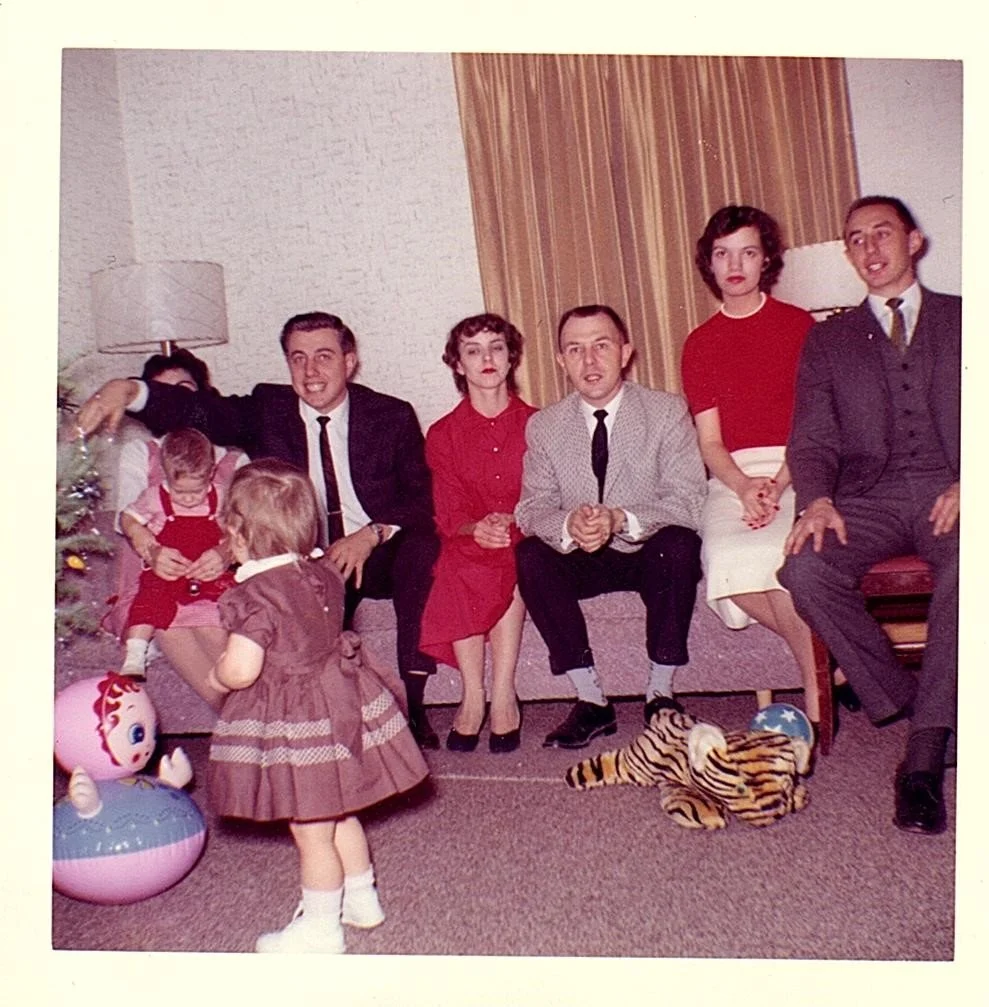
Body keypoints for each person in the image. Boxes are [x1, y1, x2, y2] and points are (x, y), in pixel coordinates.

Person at [76, 312, 442, 749]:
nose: (311, 371)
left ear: (350, 361)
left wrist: (370, 536)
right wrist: (131, 391)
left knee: (420, 548)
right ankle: (315, 725)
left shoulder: (390, 415)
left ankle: (413, 707)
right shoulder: (268, 408)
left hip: (373, 548)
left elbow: (420, 499)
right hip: (298, 557)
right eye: (298, 358)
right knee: (296, 595)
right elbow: (199, 409)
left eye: (324, 356)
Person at [779, 195, 960, 835]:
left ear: (914, 240)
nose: (870, 248)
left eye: (883, 233)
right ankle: (918, 706)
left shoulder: (967, 318)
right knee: (804, 570)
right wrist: (817, 500)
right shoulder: (829, 340)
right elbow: (812, 438)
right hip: (870, 498)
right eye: (855, 239)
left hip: (954, 488)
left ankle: (922, 760)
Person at [205, 460, 428, 953]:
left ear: (238, 533)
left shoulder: (253, 595)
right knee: (341, 810)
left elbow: (241, 670)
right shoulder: (325, 573)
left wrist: (217, 671)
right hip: (338, 702)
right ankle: (362, 899)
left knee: (310, 830)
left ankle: (321, 930)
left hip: (297, 718)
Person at [680, 204, 858, 730]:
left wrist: (780, 484)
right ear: (709, 264)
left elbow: (816, 425)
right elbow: (709, 442)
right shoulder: (699, 343)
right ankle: (833, 669)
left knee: (785, 560)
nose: (735, 264)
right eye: (722, 253)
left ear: (766, 262)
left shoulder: (801, 327)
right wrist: (743, 487)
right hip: (732, 477)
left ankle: (814, 698)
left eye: (748, 252)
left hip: (801, 466)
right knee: (726, 561)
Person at [515, 304, 707, 748]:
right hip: (580, 554)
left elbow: (689, 500)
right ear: (561, 361)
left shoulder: (666, 412)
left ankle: (660, 694)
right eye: (575, 350)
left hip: (647, 551)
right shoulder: (544, 426)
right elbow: (530, 508)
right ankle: (590, 700)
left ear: (625, 352)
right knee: (530, 555)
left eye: (601, 346)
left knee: (679, 544)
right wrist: (568, 524)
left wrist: (620, 518)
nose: (589, 361)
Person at [418, 313, 537, 753]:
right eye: (473, 350)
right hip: (471, 535)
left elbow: (550, 493)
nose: (486, 358)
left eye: (496, 348)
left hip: (526, 530)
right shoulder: (443, 434)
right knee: (457, 556)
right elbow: (449, 510)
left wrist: (513, 521)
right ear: (457, 364)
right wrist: (477, 527)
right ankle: (473, 694)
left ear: (510, 359)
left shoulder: (538, 424)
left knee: (514, 553)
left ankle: (504, 692)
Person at [103, 349, 244, 710]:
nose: (174, 402)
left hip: (219, 574)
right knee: (167, 619)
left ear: (202, 395)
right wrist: (153, 551)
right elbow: (127, 519)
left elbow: (252, 527)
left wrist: (224, 553)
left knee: (220, 634)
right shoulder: (141, 452)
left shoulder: (232, 458)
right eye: (163, 394)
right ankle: (240, 726)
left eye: (183, 390)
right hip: (159, 570)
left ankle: (255, 719)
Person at [118, 428, 238, 678]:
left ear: (211, 473)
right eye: (180, 492)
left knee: (223, 610)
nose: (189, 499)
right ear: (165, 475)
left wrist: (227, 546)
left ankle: (237, 664)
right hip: (167, 570)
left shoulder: (222, 495)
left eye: (197, 491)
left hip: (209, 570)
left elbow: (241, 528)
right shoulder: (154, 497)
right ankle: (135, 654)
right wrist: (142, 537)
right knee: (147, 602)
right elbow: (127, 517)